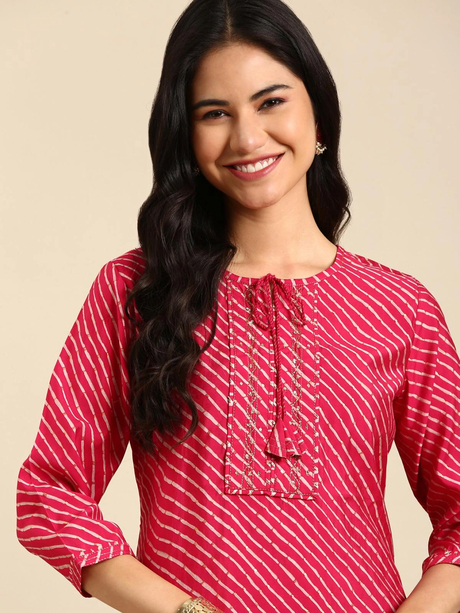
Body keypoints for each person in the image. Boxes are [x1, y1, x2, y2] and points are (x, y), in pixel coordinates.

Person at [16, 0, 460, 611]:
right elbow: (49, 494)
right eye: (215, 113)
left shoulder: (399, 308)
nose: (247, 138)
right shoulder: (136, 291)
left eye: (270, 101)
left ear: (319, 114)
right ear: (186, 133)